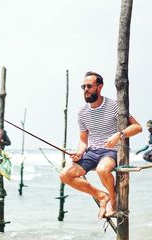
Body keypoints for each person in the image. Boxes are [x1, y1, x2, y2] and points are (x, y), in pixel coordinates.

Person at [59, 71, 142, 219]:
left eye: (89, 86)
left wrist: (119, 135)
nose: (86, 89)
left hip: (111, 151)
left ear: (99, 87)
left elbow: (137, 127)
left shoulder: (115, 106)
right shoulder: (82, 112)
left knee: (102, 170)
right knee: (65, 175)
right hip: (92, 152)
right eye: (83, 87)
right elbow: (83, 140)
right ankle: (102, 196)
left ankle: (113, 201)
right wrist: (79, 152)